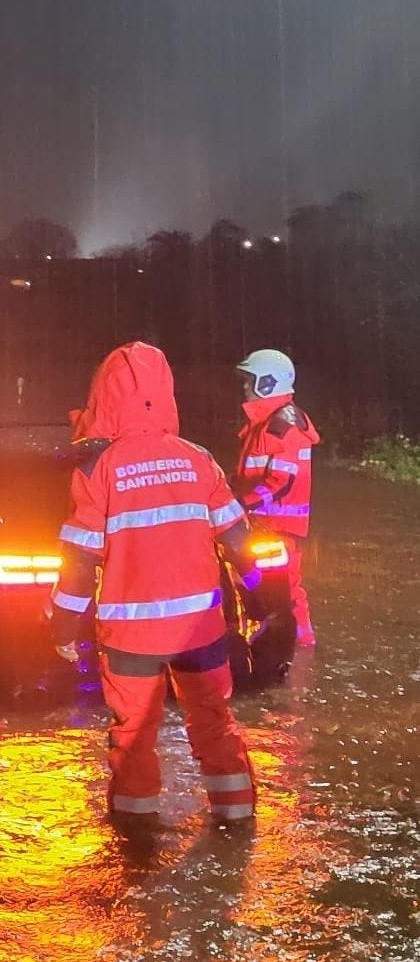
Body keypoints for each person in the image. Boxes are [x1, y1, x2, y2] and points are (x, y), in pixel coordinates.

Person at [51, 342, 266, 825]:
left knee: (133, 734)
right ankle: (236, 821)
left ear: (103, 397)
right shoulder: (198, 459)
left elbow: (80, 563)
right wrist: (261, 601)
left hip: (131, 635)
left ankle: (136, 839)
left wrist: (62, 629)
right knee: (215, 722)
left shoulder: (96, 469)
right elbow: (238, 541)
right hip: (200, 631)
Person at [234, 348, 320, 646]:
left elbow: (280, 482)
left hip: (277, 526)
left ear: (267, 383)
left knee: (286, 591)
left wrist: (240, 504)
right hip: (265, 524)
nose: (245, 387)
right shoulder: (267, 423)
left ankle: (301, 650)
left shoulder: (282, 425)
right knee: (256, 583)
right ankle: (271, 642)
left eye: (249, 381)